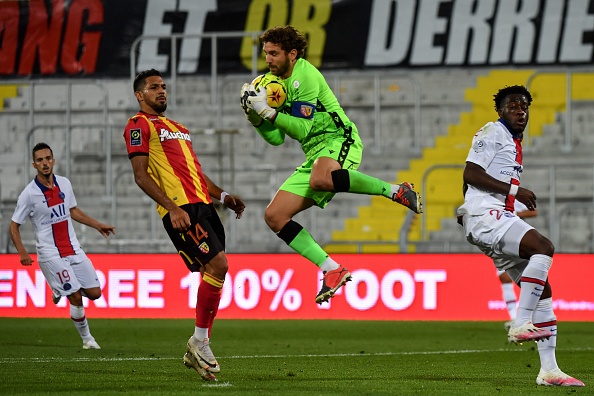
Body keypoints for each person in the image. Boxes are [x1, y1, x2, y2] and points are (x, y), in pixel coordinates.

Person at [240, 25, 422, 305]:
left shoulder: (305, 75)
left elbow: (300, 129)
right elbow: (276, 139)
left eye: (274, 54)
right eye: (266, 54)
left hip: (339, 138)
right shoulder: (268, 83)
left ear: (292, 53)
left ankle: (396, 190)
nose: (268, 60)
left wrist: (266, 111)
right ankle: (332, 269)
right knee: (274, 216)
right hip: (314, 154)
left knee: (320, 178)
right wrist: (254, 117)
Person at [457, 85, 584, 387]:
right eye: (512, 105)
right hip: (488, 216)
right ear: (500, 111)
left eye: (524, 106)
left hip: (493, 217)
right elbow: (470, 174)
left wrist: (468, 212)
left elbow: (472, 183)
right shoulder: (493, 132)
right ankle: (519, 323)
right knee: (543, 247)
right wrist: (509, 194)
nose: (520, 110)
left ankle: (549, 370)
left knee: (544, 291)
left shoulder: (513, 142)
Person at [123, 69, 245, 382]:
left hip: (204, 206)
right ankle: (200, 342)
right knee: (219, 265)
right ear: (140, 95)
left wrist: (223, 194)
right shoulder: (139, 125)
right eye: (153, 87)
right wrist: (171, 207)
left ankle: (198, 346)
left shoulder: (179, 128)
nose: (161, 91)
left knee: (213, 272)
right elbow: (140, 175)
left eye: (163, 86)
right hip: (182, 210)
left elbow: (195, 173)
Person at [9, 142, 115, 350]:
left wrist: (97, 225)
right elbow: (14, 227)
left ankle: (59, 287)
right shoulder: (29, 194)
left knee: (95, 293)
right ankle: (87, 340)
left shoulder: (64, 184)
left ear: (53, 160)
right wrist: (22, 252)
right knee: (75, 296)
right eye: (40, 160)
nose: (45, 163)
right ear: (34, 165)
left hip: (73, 248)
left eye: (47, 158)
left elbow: (73, 211)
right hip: (50, 253)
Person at [498, 201, 537, 331]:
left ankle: (530, 316)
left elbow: (533, 212)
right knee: (504, 278)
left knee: (526, 278)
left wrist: (515, 214)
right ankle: (514, 317)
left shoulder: (514, 199)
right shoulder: (491, 199)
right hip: (499, 242)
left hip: (517, 240)